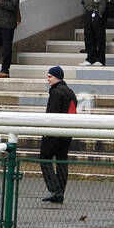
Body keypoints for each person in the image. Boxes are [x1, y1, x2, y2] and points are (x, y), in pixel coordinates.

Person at [41, 66, 78, 204]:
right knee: (62, 161)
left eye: (50, 76)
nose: (48, 79)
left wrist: (47, 132)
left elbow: (52, 114)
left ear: (57, 77)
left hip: (55, 132)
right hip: (67, 132)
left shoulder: (56, 92)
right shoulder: (70, 91)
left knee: (45, 157)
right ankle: (60, 192)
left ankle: (54, 190)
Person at [79, 0, 109, 66]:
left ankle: (100, 59)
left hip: (97, 10)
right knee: (88, 35)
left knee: (99, 36)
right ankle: (90, 58)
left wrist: (100, 12)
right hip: (88, 10)